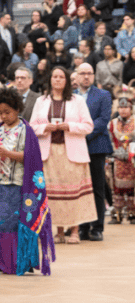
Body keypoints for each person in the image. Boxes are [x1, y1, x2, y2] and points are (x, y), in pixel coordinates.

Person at [0, 87, 55, 275]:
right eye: (1, 112)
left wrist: (7, 154)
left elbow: (31, 158)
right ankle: (0, 261)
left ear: (17, 110)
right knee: (0, 222)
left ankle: (18, 261)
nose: (4, 116)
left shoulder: (26, 130)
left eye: (8, 112)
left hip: (19, 184)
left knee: (14, 221)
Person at [30, 66, 96, 245]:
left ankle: (74, 231)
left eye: (61, 77)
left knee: (72, 192)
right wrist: (45, 128)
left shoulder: (78, 101)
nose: (57, 79)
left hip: (71, 152)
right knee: (52, 194)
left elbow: (88, 126)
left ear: (66, 80)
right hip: (49, 153)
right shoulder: (41, 101)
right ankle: (58, 231)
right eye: (54, 76)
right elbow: (31, 126)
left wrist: (69, 126)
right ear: (50, 79)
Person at [74, 63, 112, 242]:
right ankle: (82, 226)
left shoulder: (103, 95)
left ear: (94, 76)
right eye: (83, 73)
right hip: (75, 146)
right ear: (77, 76)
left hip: (95, 146)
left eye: (89, 73)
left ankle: (97, 227)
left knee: (97, 187)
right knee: (80, 188)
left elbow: (103, 120)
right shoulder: (71, 96)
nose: (86, 76)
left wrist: (83, 133)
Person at [107, 97, 135, 224]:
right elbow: (110, 139)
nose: (123, 110)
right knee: (116, 188)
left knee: (132, 188)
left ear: (131, 108)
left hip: (132, 159)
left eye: (126, 107)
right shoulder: (112, 123)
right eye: (121, 107)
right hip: (116, 159)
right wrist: (113, 152)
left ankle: (132, 214)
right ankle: (117, 215)